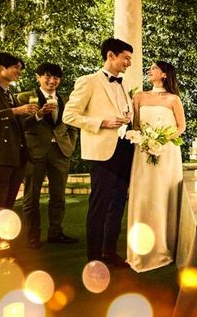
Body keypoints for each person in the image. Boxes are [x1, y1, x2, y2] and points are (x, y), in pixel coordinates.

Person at [63, 38, 134, 267]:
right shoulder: (88, 81)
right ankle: (93, 259)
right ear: (111, 55)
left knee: (118, 203)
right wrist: (102, 122)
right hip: (102, 153)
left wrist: (128, 119)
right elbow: (69, 115)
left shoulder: (124, 84)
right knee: (99, 206)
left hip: (124, 149)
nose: (129, 63)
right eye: (126, 58)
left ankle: (109, 252)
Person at [127, 61, 185, 272]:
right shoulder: (139, 97)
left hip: (167, 152)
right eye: (149, 68)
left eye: (154, 68)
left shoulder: (173, 99)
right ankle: (141, 249)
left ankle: (166, 244)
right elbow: (135, 126)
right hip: (143, 151)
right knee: (144, 195)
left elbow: (181, 127)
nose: (149, 71)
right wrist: (145, 140)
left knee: (163, 193)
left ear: (164, 74)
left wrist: (160, 139)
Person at [18, 63, 78, 249]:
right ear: (38, 77)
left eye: (56, 78)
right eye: (47, 76)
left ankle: (56, 233)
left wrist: (70, 145)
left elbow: (72, 125)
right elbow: (20, 126)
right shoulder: (24, 97)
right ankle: (32, 236)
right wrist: (39, 115)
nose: (52, 81)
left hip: (60, 151)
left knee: (58, 196)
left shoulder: (66, 99)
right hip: (34, 152)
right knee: (31, 197)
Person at [0, 53, 36, 211]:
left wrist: (39, 115)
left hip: (16, 158)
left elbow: (19, 127)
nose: (19, 72)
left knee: (8, 206)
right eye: (15, 67)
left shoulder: (11, 95)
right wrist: (15, 111)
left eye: (20, 69)